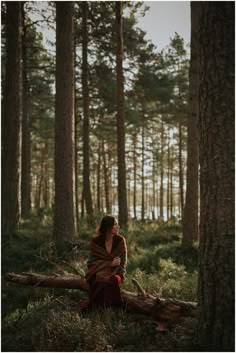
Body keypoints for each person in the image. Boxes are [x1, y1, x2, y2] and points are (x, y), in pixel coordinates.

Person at [85, 215, 127, 309]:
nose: (118, 227)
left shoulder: (120, 240)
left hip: (116, 272)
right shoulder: (96, 242)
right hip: (97, 272)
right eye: (115, 224)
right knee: (98, 280)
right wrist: (109, 264)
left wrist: (116, 268)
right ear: (108, 227)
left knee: (114, 280)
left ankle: (116, 308)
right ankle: (100, 308)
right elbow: (91, 263)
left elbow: (123, 262)